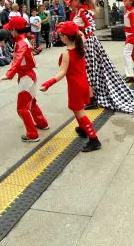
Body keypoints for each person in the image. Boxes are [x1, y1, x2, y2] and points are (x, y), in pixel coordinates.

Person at [60, 0, 134, 115]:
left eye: (72, 0)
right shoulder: (80, 10)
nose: (69, 3)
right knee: (89, 71)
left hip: (87, 44)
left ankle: (91, 99)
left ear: (77, 0)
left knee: (88, 72)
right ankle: (91, 97)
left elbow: (91, 27)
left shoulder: (83, 11)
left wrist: (77, 31)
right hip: (87, 43)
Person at [40, 22, 101, 152]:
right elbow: (79, 32)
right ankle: (83, 129)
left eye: (61, 35)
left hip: (75, 87)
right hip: (83, 84)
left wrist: (48, 84)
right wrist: (69, 26)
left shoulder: (67, 54)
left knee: (80, 113)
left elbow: (62, 73)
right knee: (75, 108)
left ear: (66, 38)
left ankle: (94, 139)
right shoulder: (81, 46)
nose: (60, 37)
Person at [0, 17, 49, 143]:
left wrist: (8, 75)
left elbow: (18, 59)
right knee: (32, 102)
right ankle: (42, 123)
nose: (9, 31)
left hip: (26, 77)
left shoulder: (21, 43)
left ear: (14, 29)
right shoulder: (23, 39)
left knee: (22, 108)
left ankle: (32, 134)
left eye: (10, 29)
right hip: (28, 75)